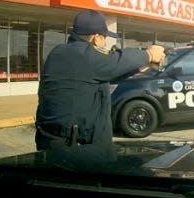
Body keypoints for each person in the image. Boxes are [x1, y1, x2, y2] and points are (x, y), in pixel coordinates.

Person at [35, 9, 166, 158]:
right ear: (96, 38)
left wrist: (145, 65)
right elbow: (113, 61)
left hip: (54, 144)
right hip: (80, 152)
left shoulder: (59, 53)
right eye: (105, 38)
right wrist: (149, 54)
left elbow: (105, 73)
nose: (105, 42)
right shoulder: (84, 56)